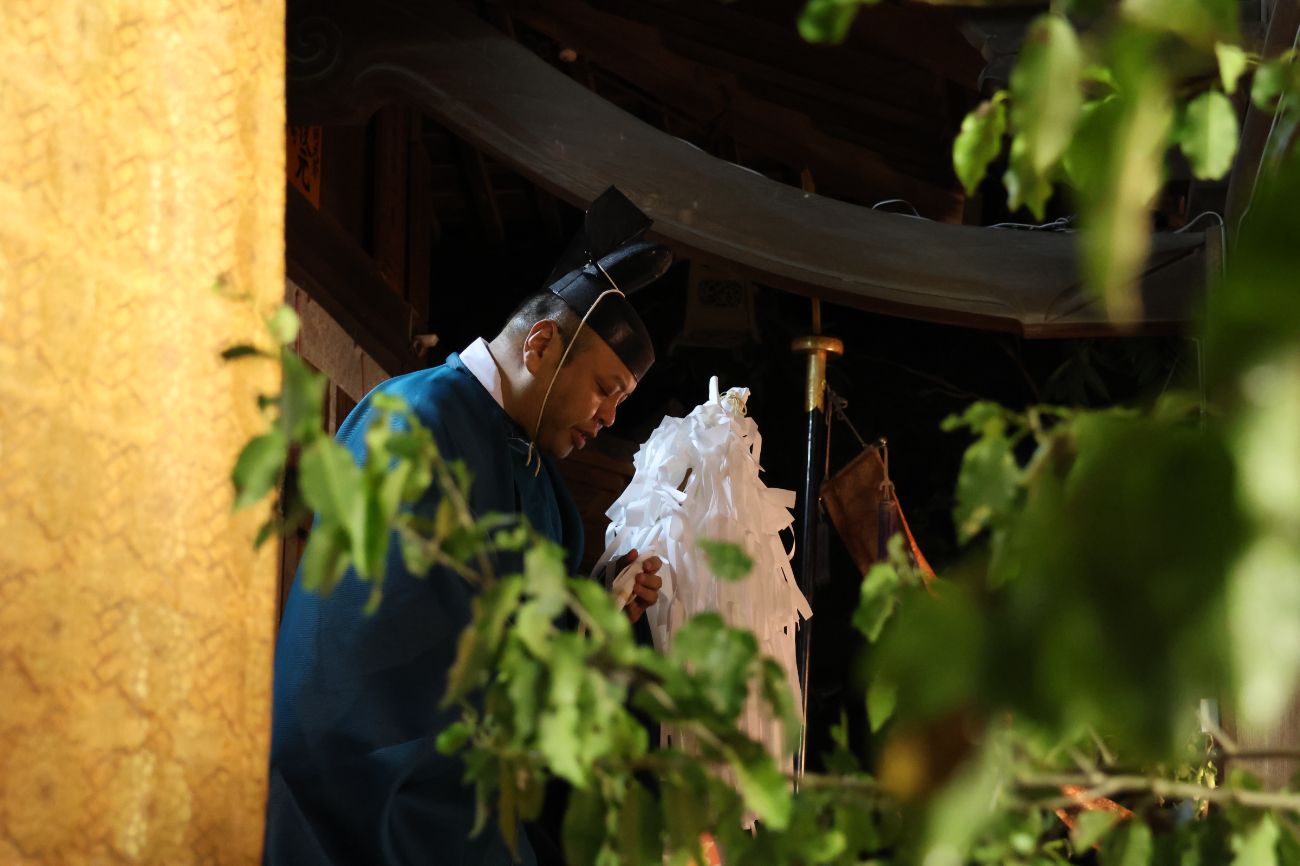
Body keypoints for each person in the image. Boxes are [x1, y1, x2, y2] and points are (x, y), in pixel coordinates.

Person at [265, 188, 672, 866]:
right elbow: (405, 648)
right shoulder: (417, 419)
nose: (607, 418)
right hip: (366, 784)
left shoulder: (544, 485)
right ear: (540, 346)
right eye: (605, 389)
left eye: (620, 401)